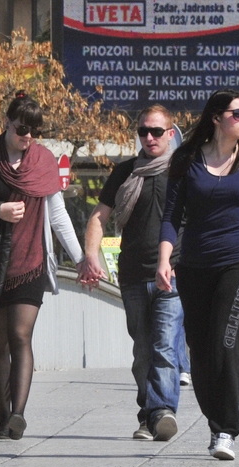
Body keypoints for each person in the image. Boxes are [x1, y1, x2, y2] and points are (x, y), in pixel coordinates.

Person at [156, 89, 239, 460]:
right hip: (195, 266)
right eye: (237, 114)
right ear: (216, 118)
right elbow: (171, 215)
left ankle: (225, 429)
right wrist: (164, 259)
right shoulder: (186, 160)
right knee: (200, 353)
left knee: (226, 342)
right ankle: (217, 419)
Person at [0, 92, 85, 441]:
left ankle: (18, 415)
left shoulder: (43, 160)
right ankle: (2, 415)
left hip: (30, 261)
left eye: (35, 132)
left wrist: (82, 259)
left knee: (21, 335)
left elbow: (57, 215)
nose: (28, 137)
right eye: (22, 129)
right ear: (6, 123)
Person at [78, 104, 185, 442]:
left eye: (157, 131)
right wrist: (90, 256)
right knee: (143, 352)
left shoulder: (184, 170)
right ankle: (149, 414)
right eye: (143, 131)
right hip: (133, 275)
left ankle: (161, 412)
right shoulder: (126, 172)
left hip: (173, 274)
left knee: (165, 347)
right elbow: (99, 217)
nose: (149, 137)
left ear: (170, 134)